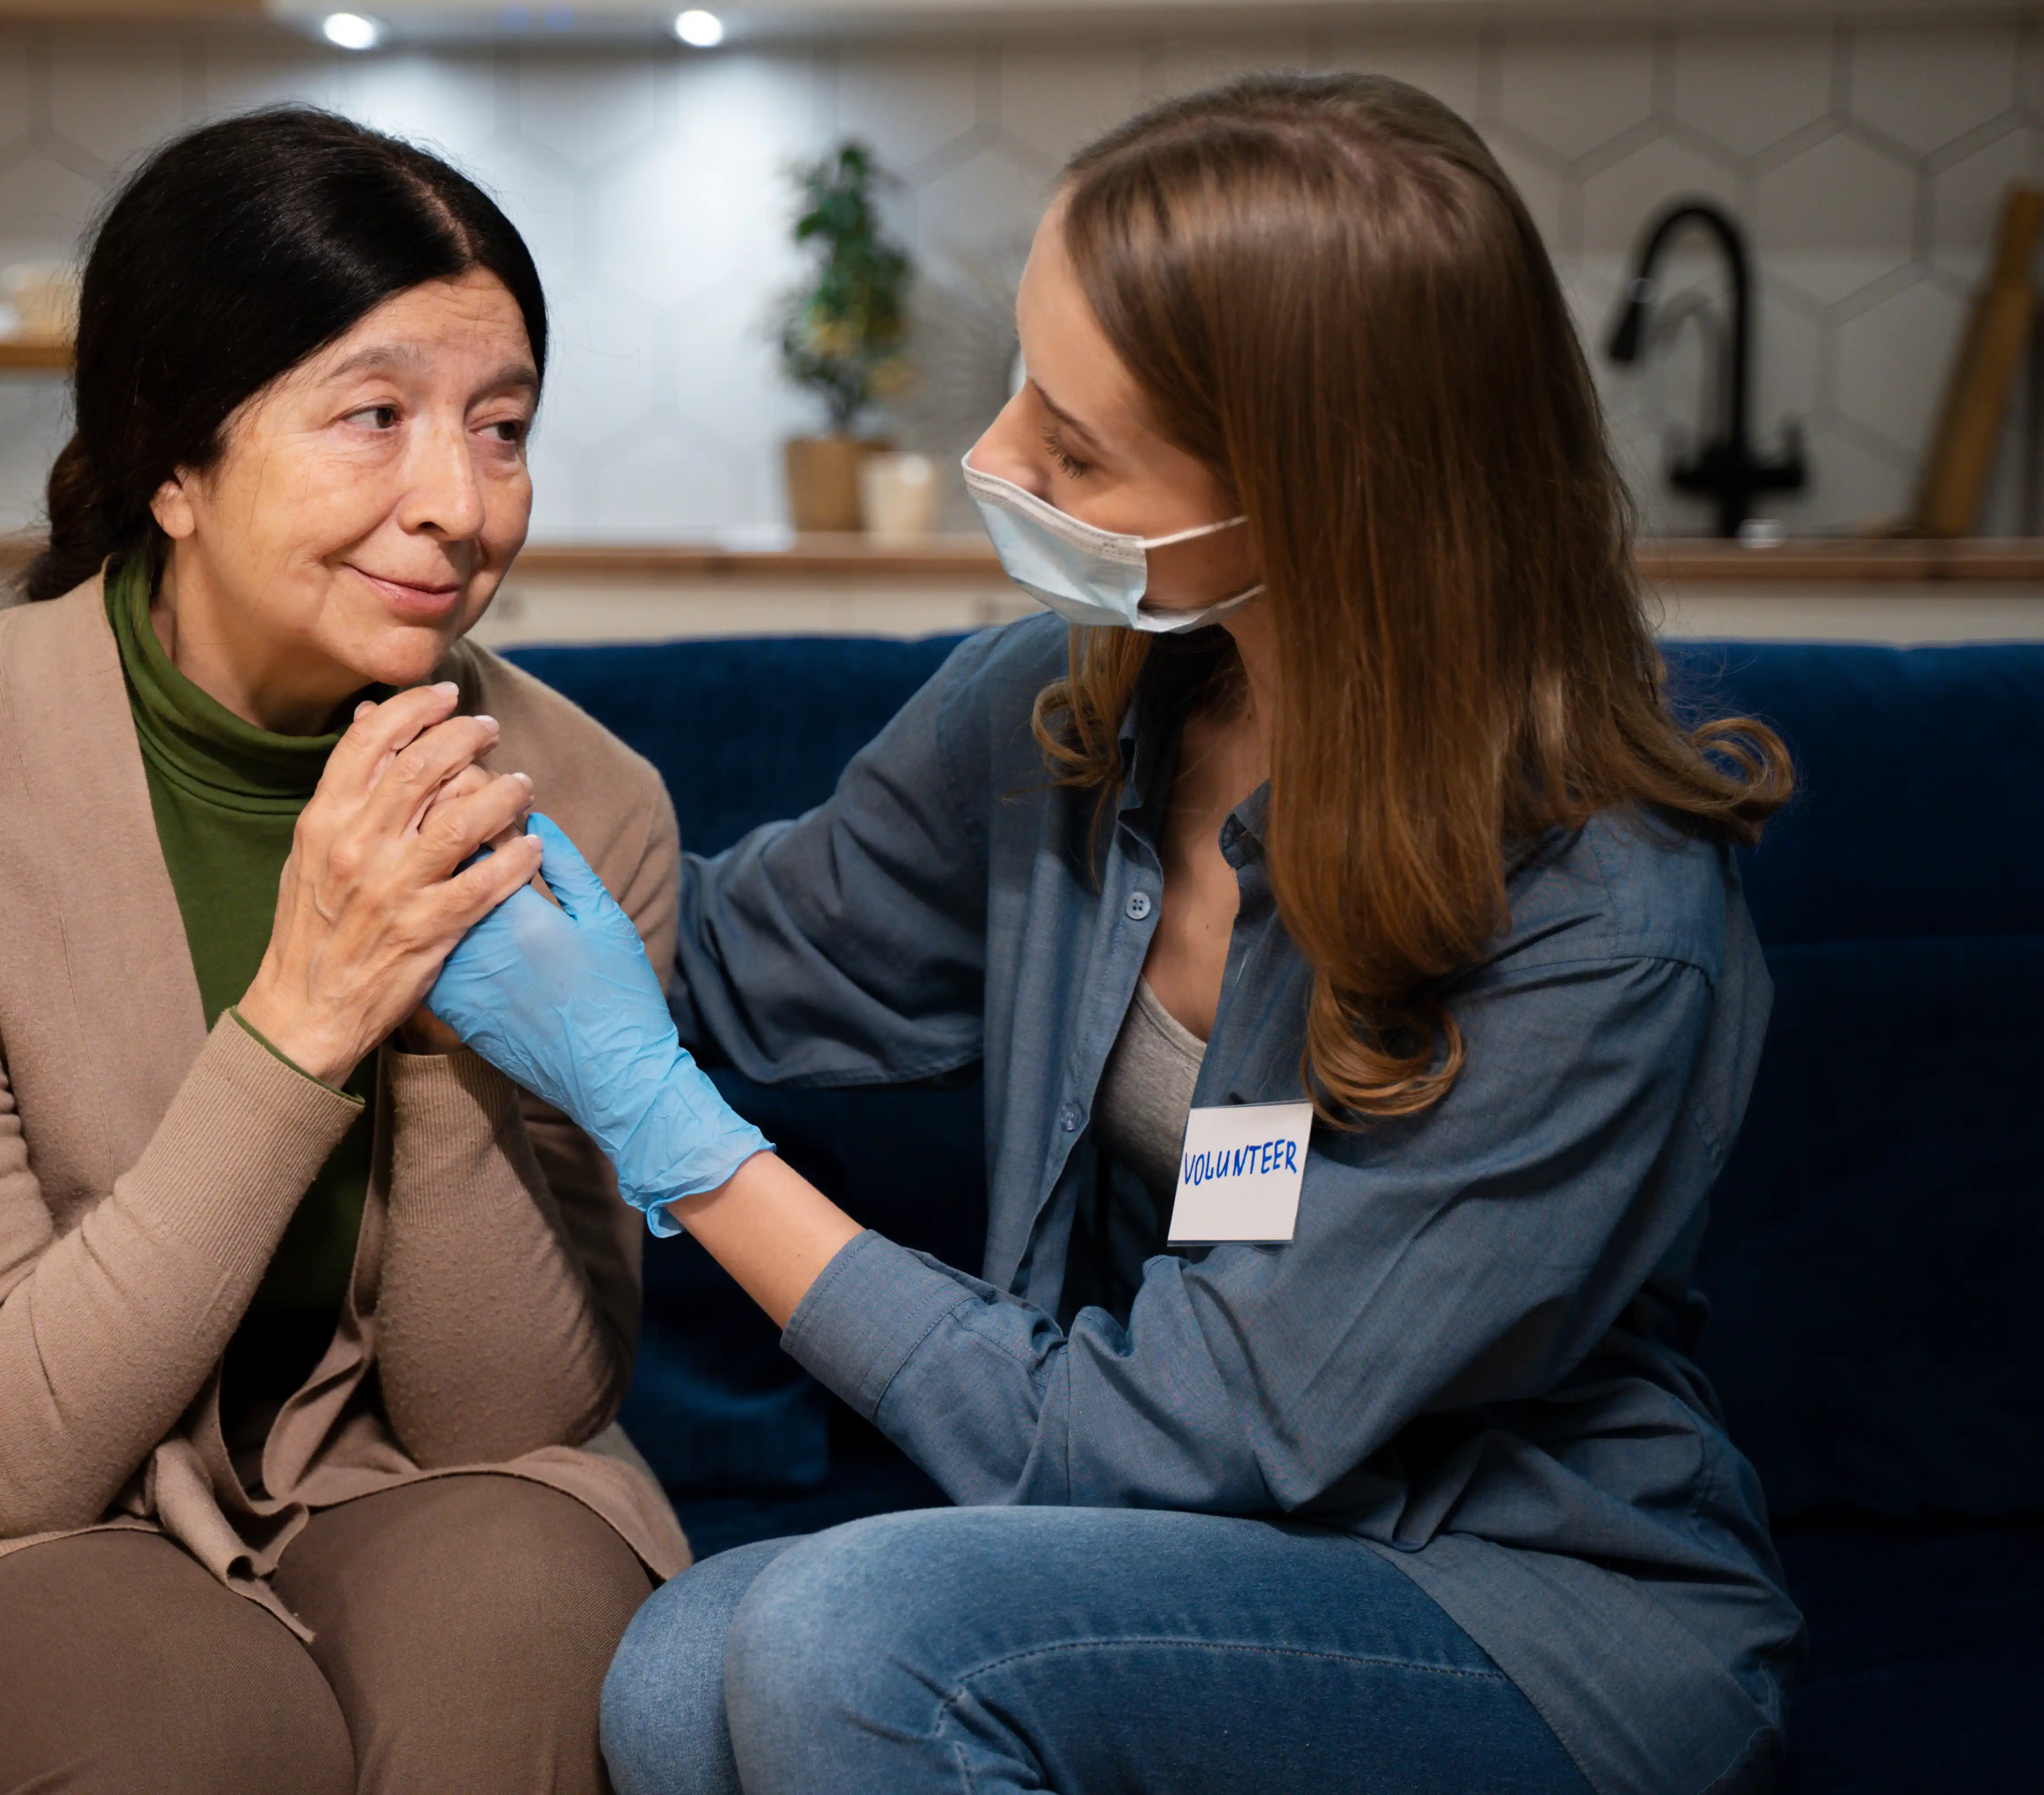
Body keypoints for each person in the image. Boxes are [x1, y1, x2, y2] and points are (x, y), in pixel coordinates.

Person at [429, 73, 1800, 1795]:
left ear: (1318, 499)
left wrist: (680, 1143)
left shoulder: (1607, 918)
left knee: (850, 1645)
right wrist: (401, 666)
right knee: (672, 1679)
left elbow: (1182, 1441)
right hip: (1197, 1542)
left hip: (1536, 1609)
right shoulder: (1057, 721)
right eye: (1023, 385)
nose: (994, 463)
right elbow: (700, 956)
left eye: (1075, 448)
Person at [0, 108, 685, 1795]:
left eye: (502, 429)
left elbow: (502, 1423)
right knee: (185, 1724)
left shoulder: (580, 805)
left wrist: (437, 1032)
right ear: (174, 461)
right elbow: (8, 1450)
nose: (459, 503)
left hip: (384, 1469)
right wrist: (304, 1022)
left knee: (534, 1642)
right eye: (375, 417)